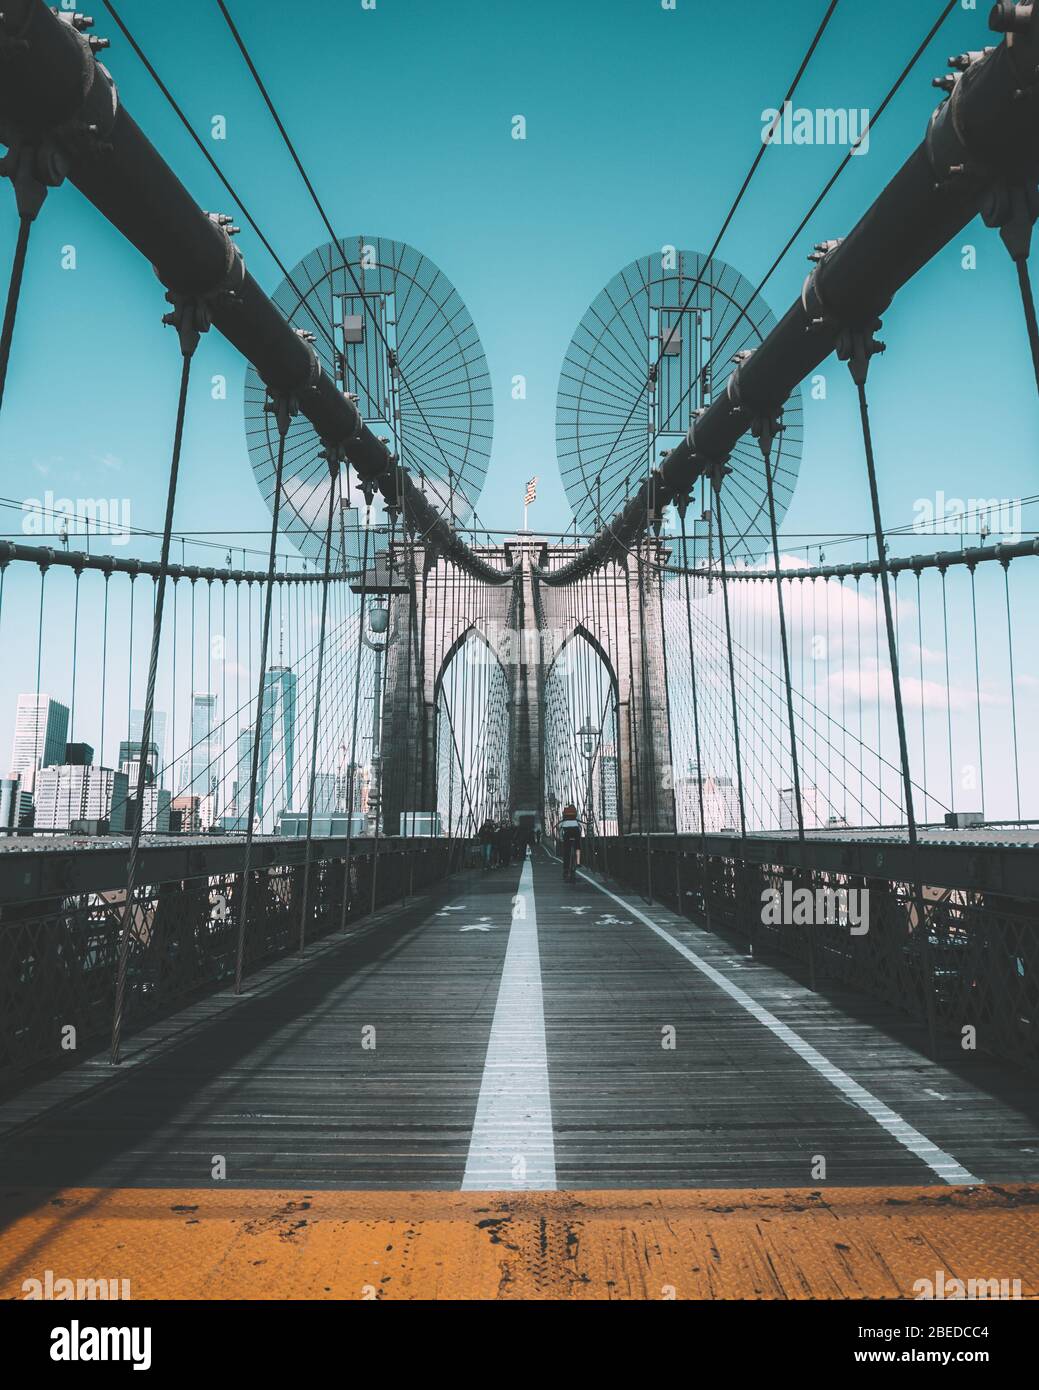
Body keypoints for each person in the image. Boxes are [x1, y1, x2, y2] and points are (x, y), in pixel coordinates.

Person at [558, 803, 582, 883]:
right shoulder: (576, 814)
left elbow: (560, 826)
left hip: (567, 832)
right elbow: (580, 825)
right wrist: (579, 835)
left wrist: (561, 837)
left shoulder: (565, 815)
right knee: (578, 847)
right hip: (575, 831)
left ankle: (565, 870)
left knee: (566, 851)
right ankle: (578, 862)